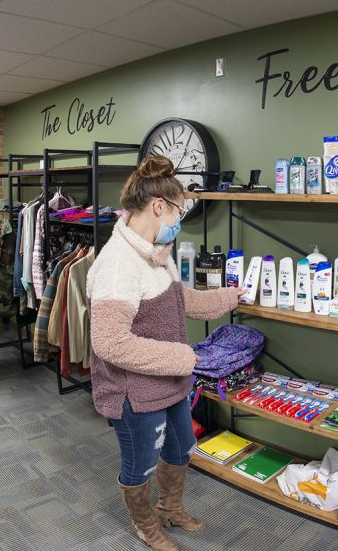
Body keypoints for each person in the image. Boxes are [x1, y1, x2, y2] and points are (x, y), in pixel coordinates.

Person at [87, 156, 240, 551]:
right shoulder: (117, 265)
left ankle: (170, 508)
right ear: (159, 207)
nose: (178, 219)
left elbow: (177, 301)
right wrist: (183, 358)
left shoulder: (156, 252)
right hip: (133, 394)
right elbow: (110, 343)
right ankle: (146, 526)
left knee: (180, 448)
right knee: (140, 465)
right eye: (178, 210)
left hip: (168, 384)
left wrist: (227, 298)